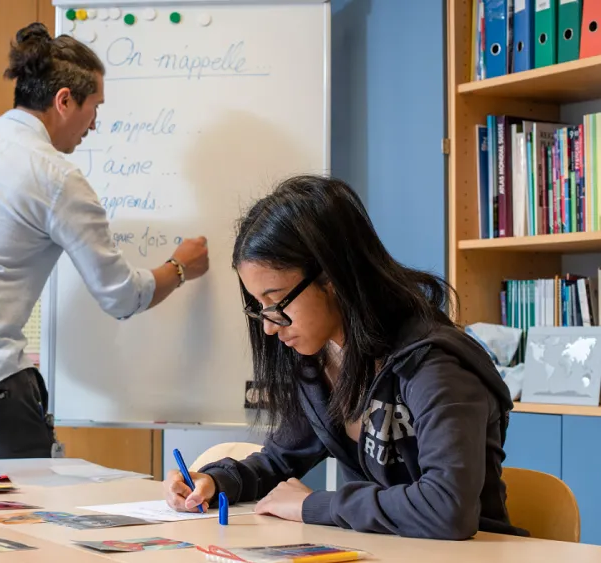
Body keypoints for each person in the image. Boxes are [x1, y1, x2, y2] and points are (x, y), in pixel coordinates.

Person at [0, 22, 209, 465]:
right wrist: (179, 267)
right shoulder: (57, 177)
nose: (95, 124)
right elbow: (121, 296)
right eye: (94, 107)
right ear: (64, 100)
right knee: (22, 525)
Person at [162, 175, 527, 541]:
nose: (270, 327)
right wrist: (214, 480)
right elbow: (280, 459)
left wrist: (316, 506)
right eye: (260, 307)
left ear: (332, 278)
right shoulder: (320, 357)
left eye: (277, 302)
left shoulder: (434, 365)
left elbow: (447, 509)